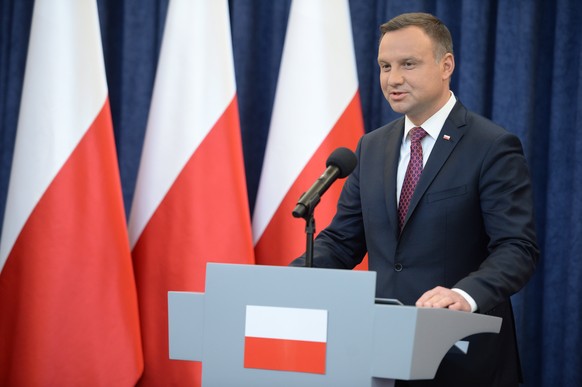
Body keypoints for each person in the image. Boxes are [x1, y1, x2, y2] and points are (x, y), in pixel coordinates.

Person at [290, 12, 539, 386]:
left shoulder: (491, 146)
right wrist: (288, 281)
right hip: (378, 355)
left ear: (446, 65)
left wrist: (464, 294)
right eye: (385, 66)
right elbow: (342, 242)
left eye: (408, 64)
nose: (393, 79)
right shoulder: (371, 147)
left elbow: (517, 247)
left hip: (461, 357)